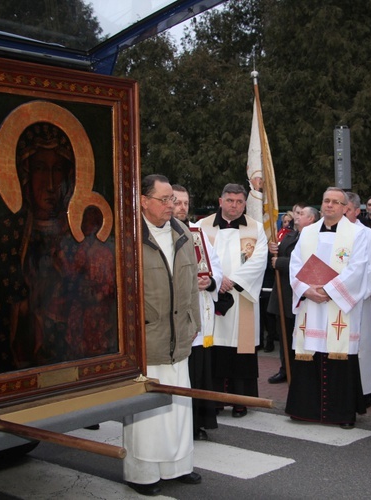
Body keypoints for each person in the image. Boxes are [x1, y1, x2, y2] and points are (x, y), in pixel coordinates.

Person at [0, 121, 117, 375]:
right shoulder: (2, 236)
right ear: (24, 174)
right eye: (40, 169)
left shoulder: (85, 232)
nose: (51, 183)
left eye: (59, 169)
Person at [122, 174, 202, 496]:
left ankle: (179, 466)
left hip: (178, 334)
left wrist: (194, 321)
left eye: (173, 200)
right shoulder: (130, 236)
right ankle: (142, 474)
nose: (171, 206)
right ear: (143, 200)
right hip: (147, 337)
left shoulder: (182, 232)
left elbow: (192, 281)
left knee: (180, 407)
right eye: (164, 199)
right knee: (147, 415)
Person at [285, 187, 371, 428]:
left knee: (339, 355)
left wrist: (330, 291)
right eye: (326, 201)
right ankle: (305, 410)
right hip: (311, 306)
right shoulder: (308, 232)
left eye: (336, 202)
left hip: (339, 307)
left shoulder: (357, 234)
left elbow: (358, 267)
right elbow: (296, 264)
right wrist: (305, 290)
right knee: (309, 352)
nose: (330, 205)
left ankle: (341, 413)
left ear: (345, 208)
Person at [198, 183, 268, 417]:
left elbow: (259, 261)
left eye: (239, 201)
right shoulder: (202, 226)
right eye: (230, 200)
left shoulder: (256, 229)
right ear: (220, 201)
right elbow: (197, 256)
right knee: (213, 347)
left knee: (241, 350)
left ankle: (241, 401)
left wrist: (232, 281)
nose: (234, 205)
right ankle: (215, 401)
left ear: (245, 203)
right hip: (210, 294)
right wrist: (215, 280)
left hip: (241, 296)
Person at [172, 184, 223, 441]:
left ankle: (198, 424)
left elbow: (216, 266)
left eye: (185, 203)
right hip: (177, 314)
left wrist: (211, 281)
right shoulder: (162, 232)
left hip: (200, 311)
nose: (181, 207)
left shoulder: (197, 232)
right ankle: (179, 427)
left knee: (199, 371)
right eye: (176, 202)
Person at [267, 205, 319, 384]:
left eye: (301, 213)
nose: (296, 216)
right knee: (284, 335)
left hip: (302, 295)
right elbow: (273, 261)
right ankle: (285, 368)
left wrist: (279, 261)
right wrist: (272, 251)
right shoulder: (289, 235)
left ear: (311, 219)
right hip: (283, 292)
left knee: (300, 336)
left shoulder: (315, 237)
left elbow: (308, 263)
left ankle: (300, 371)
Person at [346, 192, 371, 406]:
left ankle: (361, 392)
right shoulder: (329, 233)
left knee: (360, 347)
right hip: (331, 300)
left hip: (357, 300)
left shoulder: (368, 235)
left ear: (357, 211)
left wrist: (355, 286)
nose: (343, 214)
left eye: (348, 210)